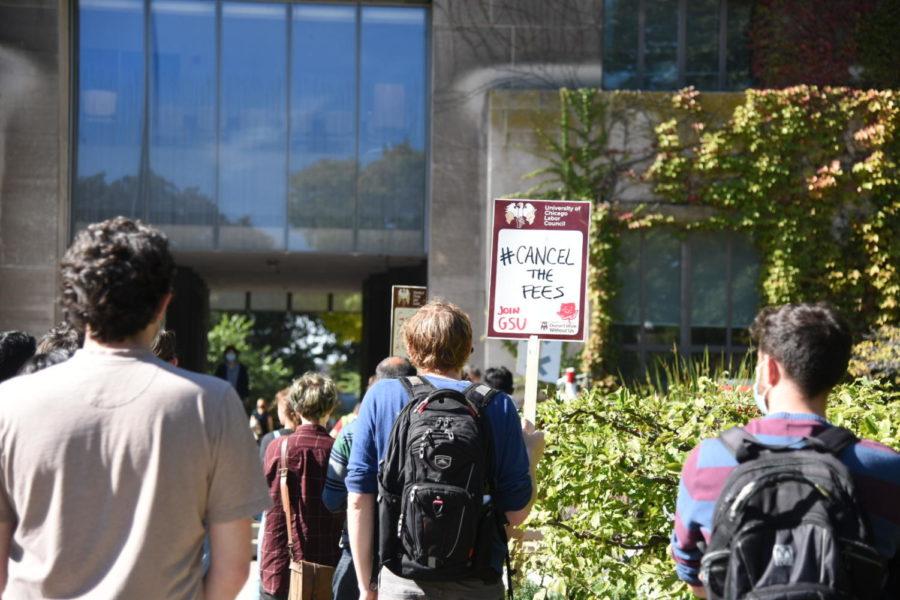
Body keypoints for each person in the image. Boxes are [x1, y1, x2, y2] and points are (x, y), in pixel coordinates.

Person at [0, 217, 270, 599]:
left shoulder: (11, 403)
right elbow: (232, 568)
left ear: (73, 299)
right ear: (164, 303)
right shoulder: (212, 404)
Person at [671, 303, 900, 598]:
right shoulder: (887, 469)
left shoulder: (707, 461)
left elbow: (695, 578)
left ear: (769, 369)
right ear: (837, 372)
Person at [346, 300, 545, 600]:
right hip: (476, 582)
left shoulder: (382, 397)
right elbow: (517, 514)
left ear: (411, 348)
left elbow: (360, 500)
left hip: (402, 579)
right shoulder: (497, 405)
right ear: (467, 350)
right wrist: (532, 456)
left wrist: (365, 587)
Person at [323, 356, 416, 600]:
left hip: (360, 550)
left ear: (375, 383)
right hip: (412, 549)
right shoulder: (424, 424)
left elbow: (334, 500)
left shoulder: (350, 432)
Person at [260, 372, 346, 600]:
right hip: (327, 563)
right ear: (330, 409)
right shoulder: (337, 450)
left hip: (280, 560)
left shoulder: (277, 447)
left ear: (296, 408)